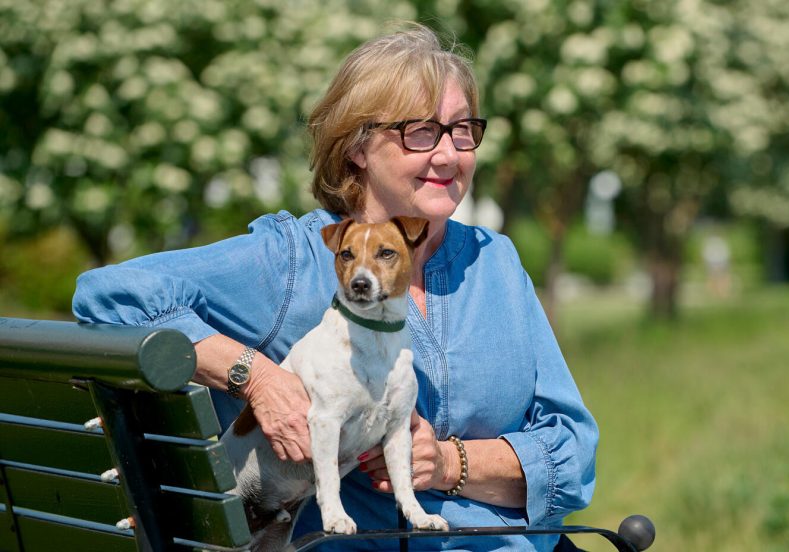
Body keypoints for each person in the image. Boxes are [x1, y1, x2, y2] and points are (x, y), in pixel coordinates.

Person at [72, 23, 598, 550]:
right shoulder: (291, 260)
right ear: (357, 148)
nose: (448, 154)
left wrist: (447, 464)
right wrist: (255, 379)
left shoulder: (495, 262)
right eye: (421, 131)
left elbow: (573, 452)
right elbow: (112, 293)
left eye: (462, 130)